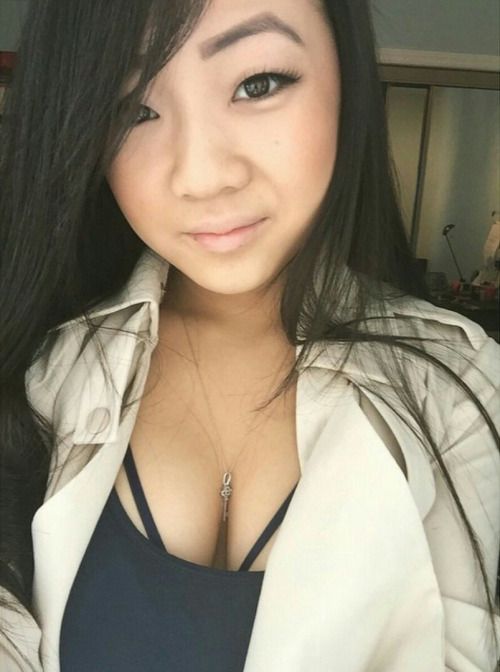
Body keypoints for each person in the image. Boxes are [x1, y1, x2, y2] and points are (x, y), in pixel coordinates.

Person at [0, 0, 499, 670]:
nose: (201, 175)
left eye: (258, 83)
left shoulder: (457, 385)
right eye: (132, 110)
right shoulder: (41, 373)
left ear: (346, 76)